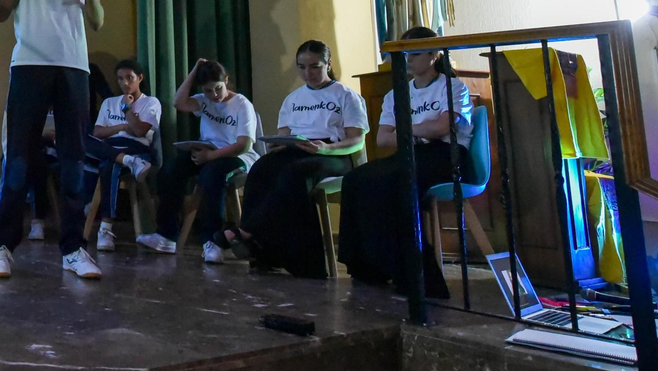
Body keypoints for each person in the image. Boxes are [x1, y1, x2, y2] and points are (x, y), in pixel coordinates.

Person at [0, 0, 105, 280]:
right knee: (18, 158)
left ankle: (74, 249)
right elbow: (2, 11)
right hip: (29, 64)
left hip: (73, 66)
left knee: (74, 161)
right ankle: (1, 246)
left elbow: (98, 21)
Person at [336, 26, 473, 298]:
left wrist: (407, 129)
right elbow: (383, 139)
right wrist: (423, 127)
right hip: (410, 153)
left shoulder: (453, 87)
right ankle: (368, 265)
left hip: (446, 155)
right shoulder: (395, 94)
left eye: (415, 53)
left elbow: (444, 127)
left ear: (433, 55)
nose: (408, 59)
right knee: (357, 179)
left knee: (395, 181)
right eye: (405, 54)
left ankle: (417, 275)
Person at [220, 40, 367, 278]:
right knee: (261, 169)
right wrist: (278, 144)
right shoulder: (293, 98)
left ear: (328, 64)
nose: (307, 73)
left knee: (295, 175)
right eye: (301, 67)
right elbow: (286, 136)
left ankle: (253, 235)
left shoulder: (346, 95)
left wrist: (326, 149)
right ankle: (263, 251)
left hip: (334, 154)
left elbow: (356, 140)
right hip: (299, 149)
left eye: (314, 67)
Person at [137, 60, 259, 263]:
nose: (215, 95)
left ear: (226, 81)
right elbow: (178, 102)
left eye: (218, 88)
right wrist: (194, 71)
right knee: (171, 170)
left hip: (236, 156)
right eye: (209, 91)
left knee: (212, 174)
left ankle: (212, 240)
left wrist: (211, 156)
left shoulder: (241, 104)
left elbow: (244, 144)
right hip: (207, 152)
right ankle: (167, 235)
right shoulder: (204, 101)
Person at [82, 59, 160, 251]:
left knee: (109, 164)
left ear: (139, 78)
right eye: (120, 79)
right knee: (82, 140)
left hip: (137, 148)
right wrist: (123, 127)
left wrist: (127, 109)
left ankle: (106, 228)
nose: (125, 83)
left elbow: (140, 131)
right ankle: (129, 162)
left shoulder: (151, 102)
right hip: (111, 146)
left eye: (129, 78)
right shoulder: (109, 102)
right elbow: (98, 132)